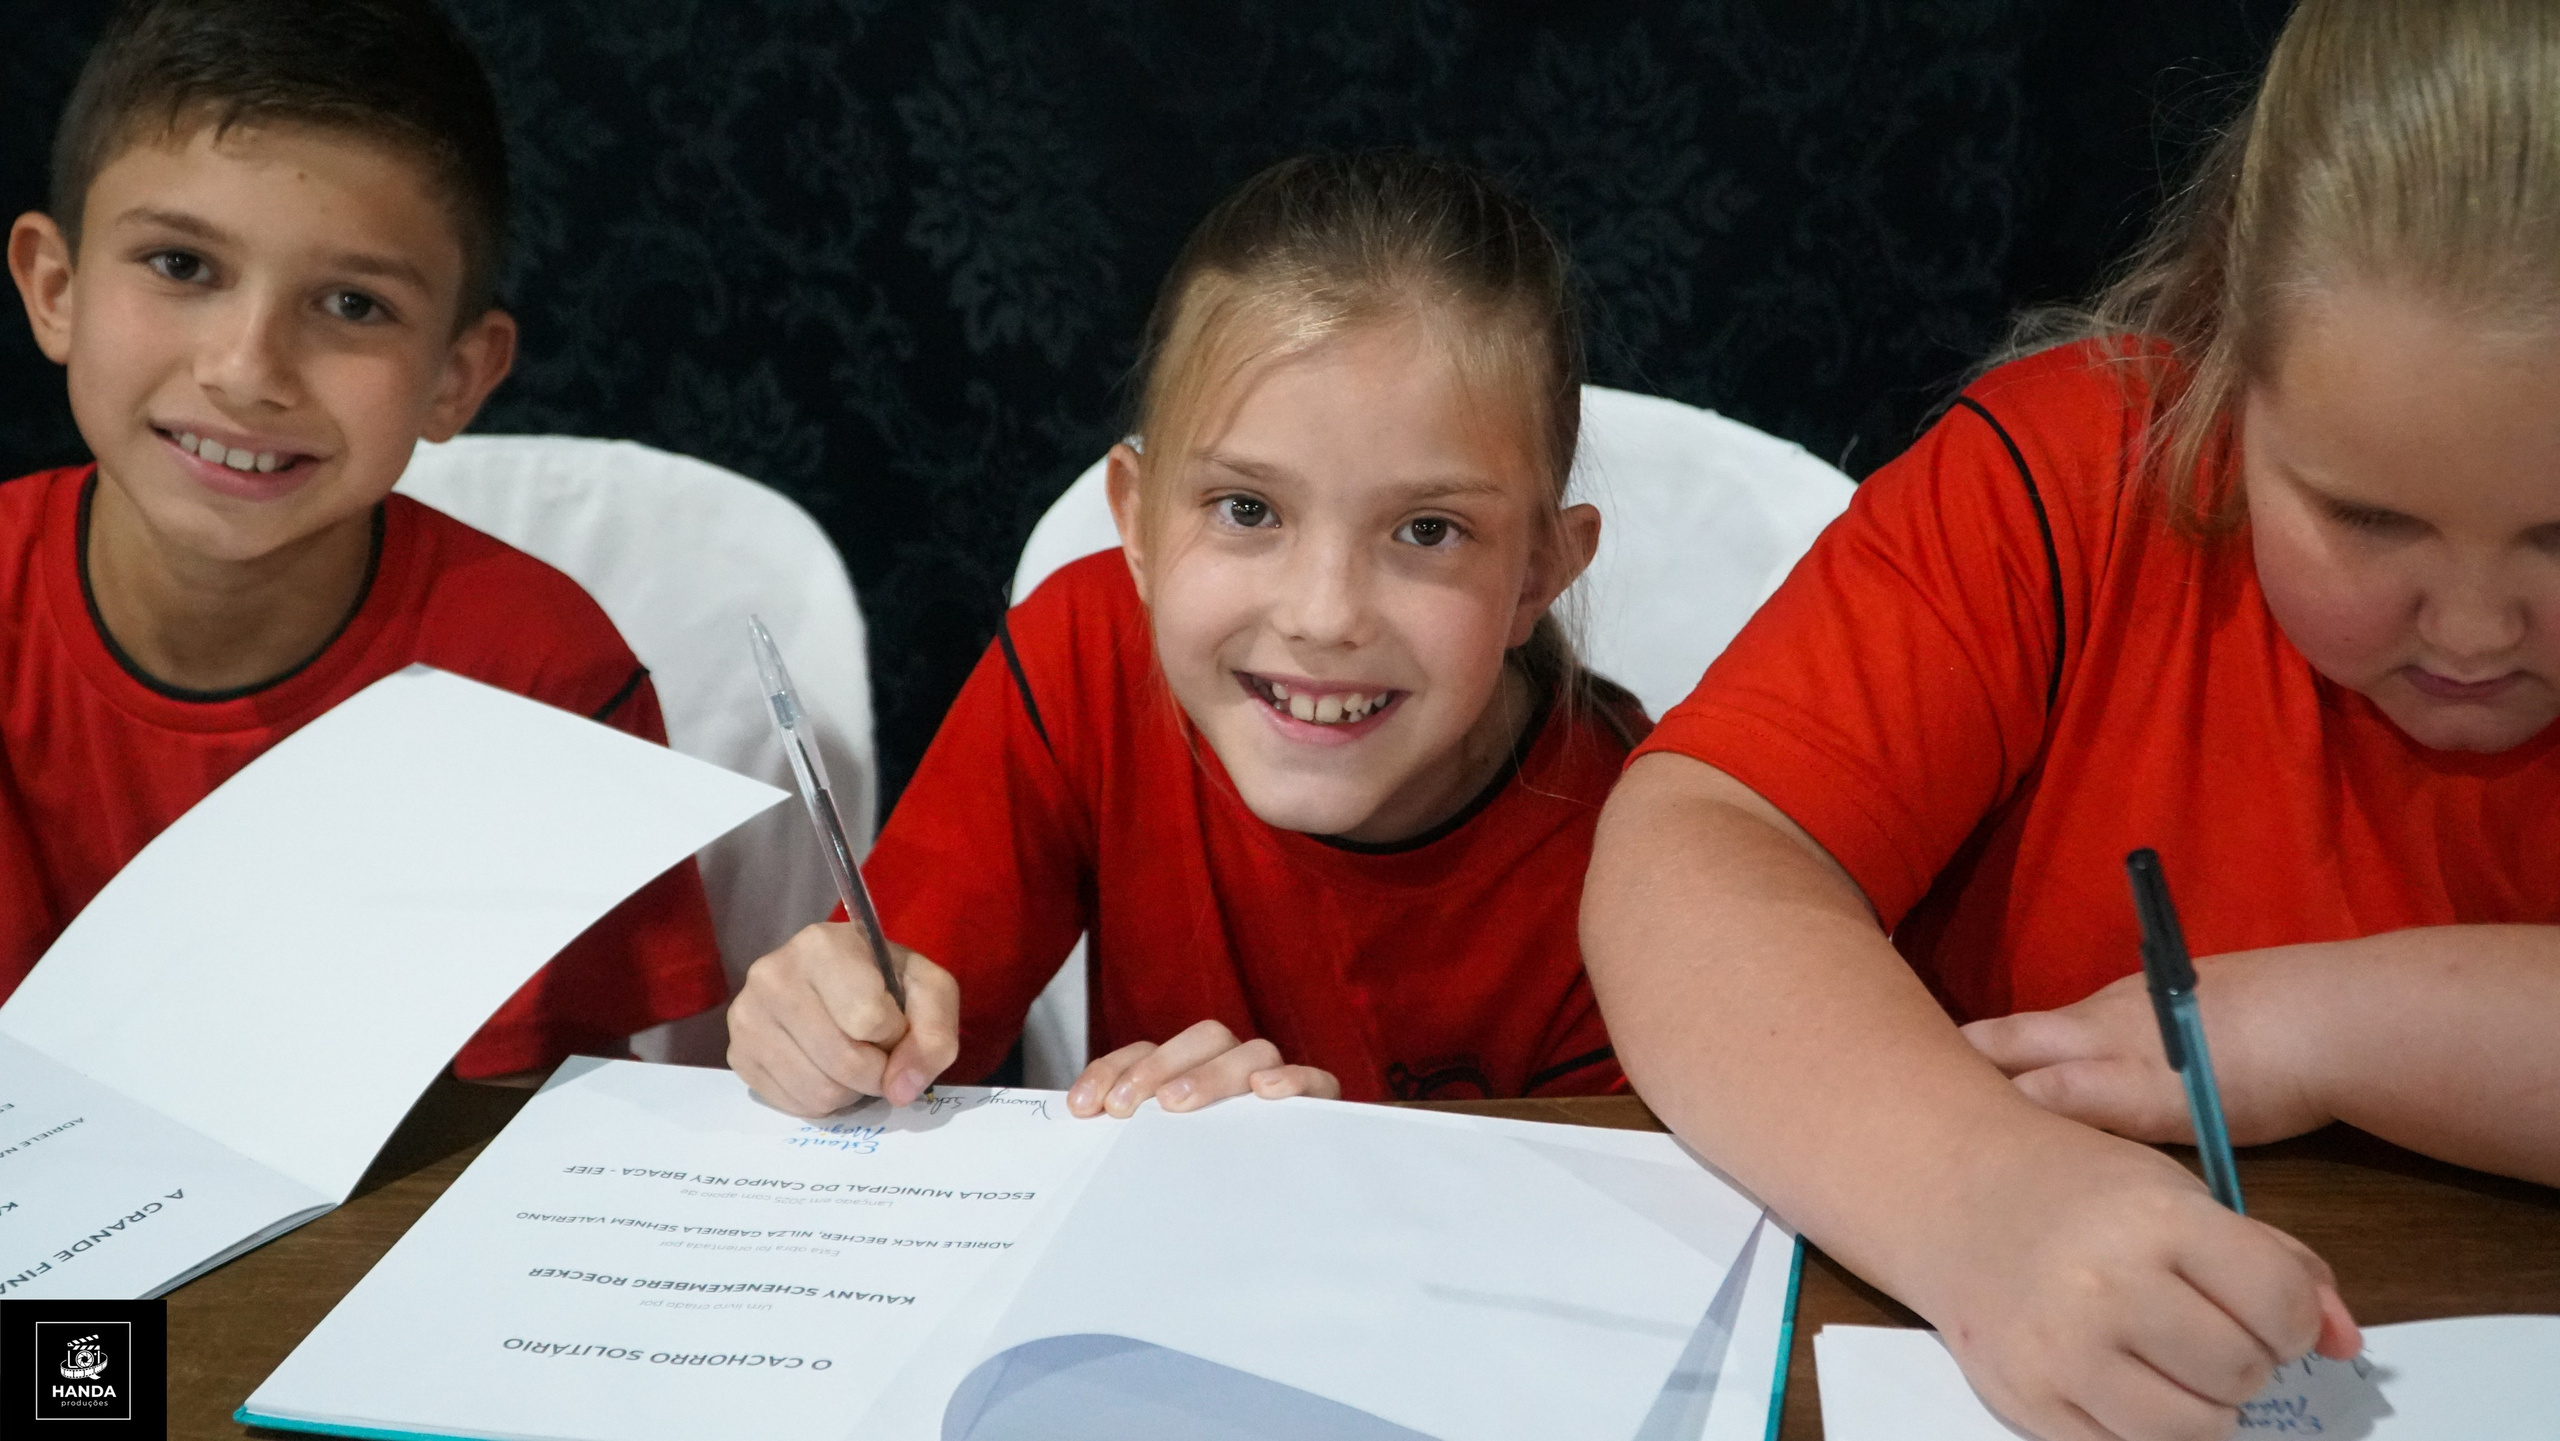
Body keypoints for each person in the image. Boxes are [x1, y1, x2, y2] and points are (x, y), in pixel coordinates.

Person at [1584, 1, 2560, 1437]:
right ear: (2230, 356)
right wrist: (1979, 1199)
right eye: (2366, 517)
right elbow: (1696, 849)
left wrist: (2313, 1024)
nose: (2475, 627)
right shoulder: (2073, 487)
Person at [728, 152, 1643, 1120]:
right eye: (1247, 508)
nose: (1322, 616)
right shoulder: (1082, 655)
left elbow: (1624, 1245)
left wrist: (1347, 1173)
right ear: (1138, 523)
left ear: (1538, 572)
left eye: (1426, 529)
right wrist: (830, 1034)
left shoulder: (1637, 850)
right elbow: (902, 1027)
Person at [1, 0, 728, 1080]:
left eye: (351, 302)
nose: (247, 369)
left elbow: (534, 1121)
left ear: (456, 376)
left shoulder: (542, 679)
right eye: (182, 266)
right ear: (54, 289)